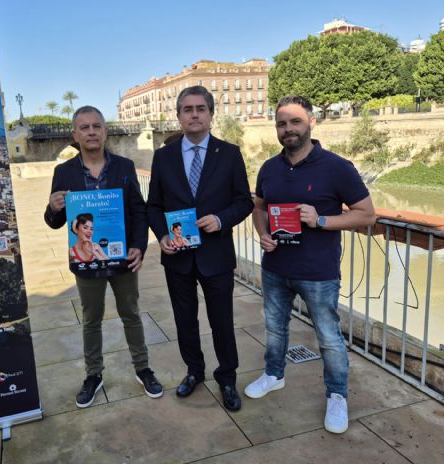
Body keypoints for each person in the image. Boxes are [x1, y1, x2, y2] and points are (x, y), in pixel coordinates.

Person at [244, 95, 376, 433]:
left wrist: (321, 221)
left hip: (318, 273)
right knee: (274, 329)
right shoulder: (270, 168)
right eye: (282, 124)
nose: (288, 129)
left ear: (311, 123)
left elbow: (366, 215)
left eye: (295, 122)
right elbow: (259, 207)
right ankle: (274, 375)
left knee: (329, 338)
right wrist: (262, 234)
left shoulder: (337, 167)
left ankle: (337, 395)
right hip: (275, 267)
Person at [45, 105, 163, 408]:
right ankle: (93, 374)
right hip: (86, 262)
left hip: (121, 257)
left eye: (96, 126)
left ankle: (143, 368)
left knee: (131, 314)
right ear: (75, 134)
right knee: (91, 320)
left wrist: (140, 245)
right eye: (84, 127)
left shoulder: (124, 166)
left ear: (105, 131)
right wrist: (54, 207)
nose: (91, 132)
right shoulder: (64, 172)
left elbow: (138, 209)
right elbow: (55, 222)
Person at [147, 86, 254, 411]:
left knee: (221, 321)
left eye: (200, 109)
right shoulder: (163, 156)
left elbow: (244, 202)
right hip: (177, 257)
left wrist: (221, 220)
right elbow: (154, 205)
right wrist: (163, 234)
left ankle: (227, 378)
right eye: (187, 109)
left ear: (210, 114)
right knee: (185, 321)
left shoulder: (230, 153)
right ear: (178, 116)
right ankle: (194, 371)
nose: (194, 114)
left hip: (216, 255)